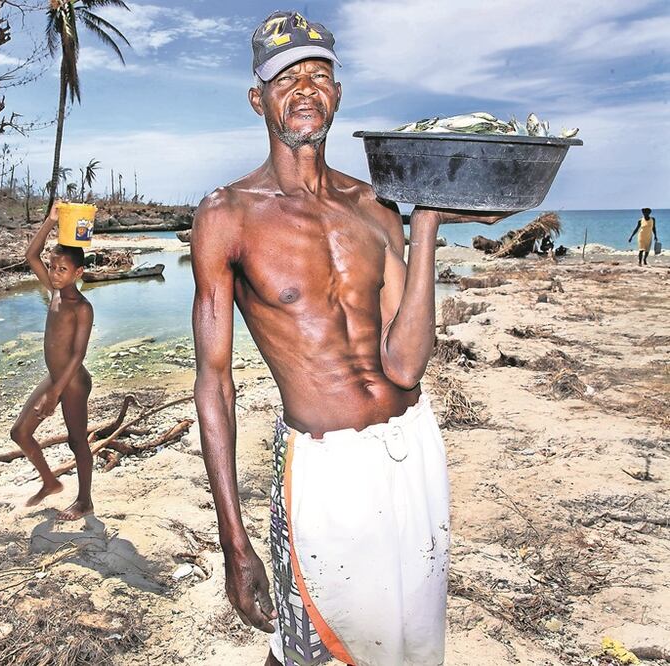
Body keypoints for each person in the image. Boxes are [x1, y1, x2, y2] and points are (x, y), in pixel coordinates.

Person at [191, 11, 508, 666]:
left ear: (337, 94)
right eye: (286, 77)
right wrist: (234, 541)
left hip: (413, 451)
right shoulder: (226, 215)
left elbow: (404, 364)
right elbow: (212, 385)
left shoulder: (376, 207)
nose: (305, 88)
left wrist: (424, 227)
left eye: (319, 75)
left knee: (409, 646)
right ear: (258, 98)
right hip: (324, 467)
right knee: (311, 646)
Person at [10, 203, 95, 521]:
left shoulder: (81, 307)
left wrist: (55, 394)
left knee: (77, 440)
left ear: (78, 273)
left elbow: (78, 355)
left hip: (72, 382)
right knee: (19, 433)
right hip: (56, 377)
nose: (55, 274)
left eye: (62, 270)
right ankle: (50, 481)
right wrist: (51, 221)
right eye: (53, 267)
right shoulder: (55, 292)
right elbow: (30, 255)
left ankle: (85, 501)